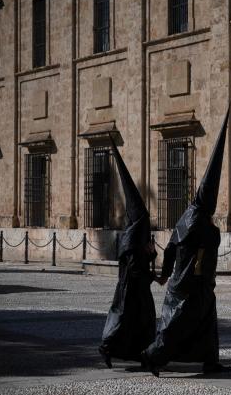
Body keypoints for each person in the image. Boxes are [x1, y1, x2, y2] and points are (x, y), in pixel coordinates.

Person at [142, 109, 231, 377]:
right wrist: (167, 276)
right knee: (179, 325)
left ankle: (209, 362)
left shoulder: (188, 216)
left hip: (197, 284)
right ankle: (152, 356)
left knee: (206, 324)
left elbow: (170, 247)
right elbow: (210, 242)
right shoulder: (200, 221)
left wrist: (164, 274)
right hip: (191, 287)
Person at [99, 135, 157, 368]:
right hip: (130, 291)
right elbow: (134, 268)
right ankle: (106, 347)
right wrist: (153, 274)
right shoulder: (132, 237)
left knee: (141, 323)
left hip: (138, 289)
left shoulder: (135, 235)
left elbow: (140, 261)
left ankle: (141, 354)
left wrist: (151, 255)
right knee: (125, 321)